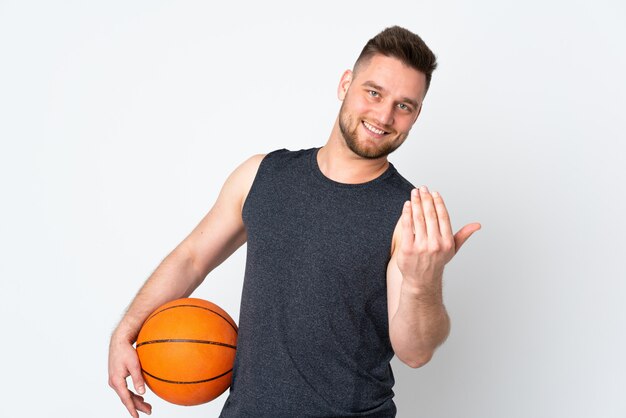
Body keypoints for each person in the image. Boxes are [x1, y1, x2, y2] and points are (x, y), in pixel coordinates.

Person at [108, 25, 481, 417]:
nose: (384, 115)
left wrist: (423, 283)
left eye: (404, 105)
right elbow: (192, 258)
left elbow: (416, 352)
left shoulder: (409, 216)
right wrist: (125, 331)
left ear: (416, 114)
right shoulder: (261, 175)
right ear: (345, 84)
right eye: (374, 93)